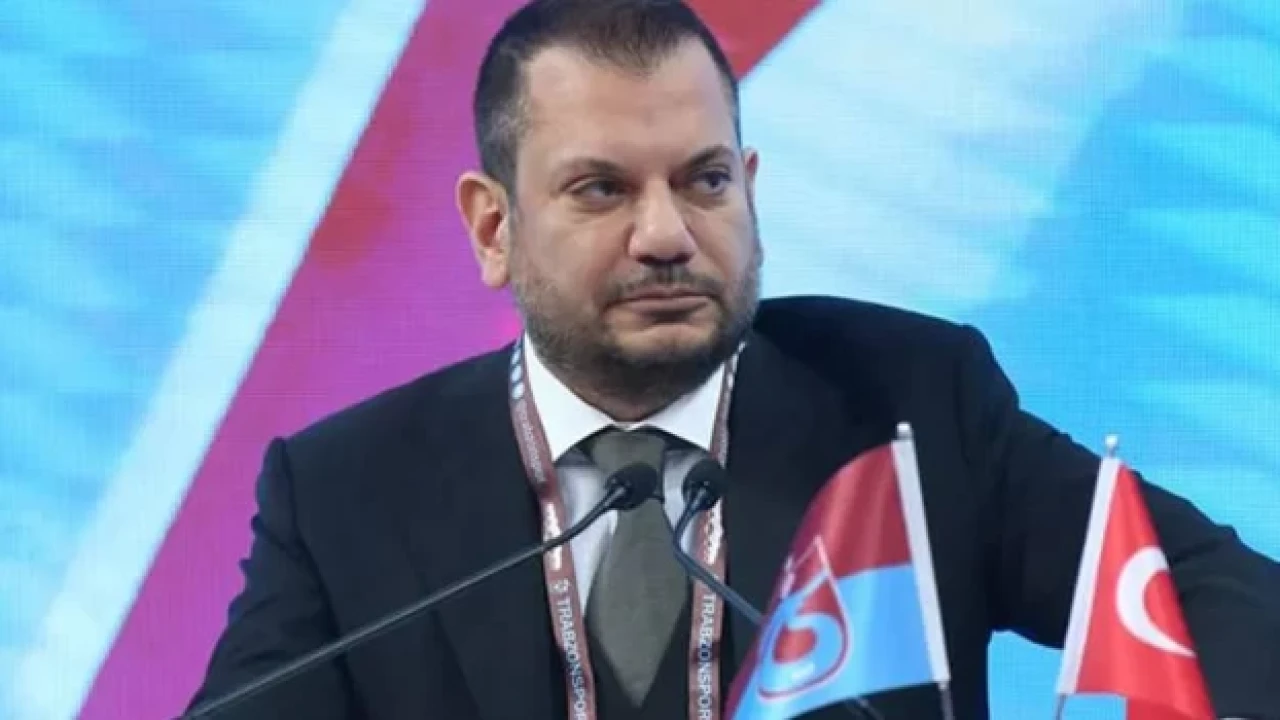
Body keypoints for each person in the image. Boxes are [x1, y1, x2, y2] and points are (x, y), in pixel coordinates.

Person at [187, 0, 1280, 718]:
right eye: (602, 189)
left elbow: (1217, 593)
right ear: (492, 228)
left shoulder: (907, 406)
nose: (667, 234)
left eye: (704, 181)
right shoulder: (347, 490)